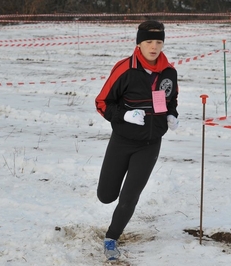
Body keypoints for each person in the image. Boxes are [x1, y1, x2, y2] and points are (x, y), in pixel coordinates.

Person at [95, 20, 179, 260]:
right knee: (106, 195)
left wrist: (172, 115)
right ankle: (108, 199)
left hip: (151, 143)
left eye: (159, 42)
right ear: (139, 43)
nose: (154, 47)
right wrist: (124, 115)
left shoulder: (169, 71)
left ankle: (112, 238)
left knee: (130, 196)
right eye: (149, 41)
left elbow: (170, 99)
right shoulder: (125, 69)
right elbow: (102, 103)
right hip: (122, 140)